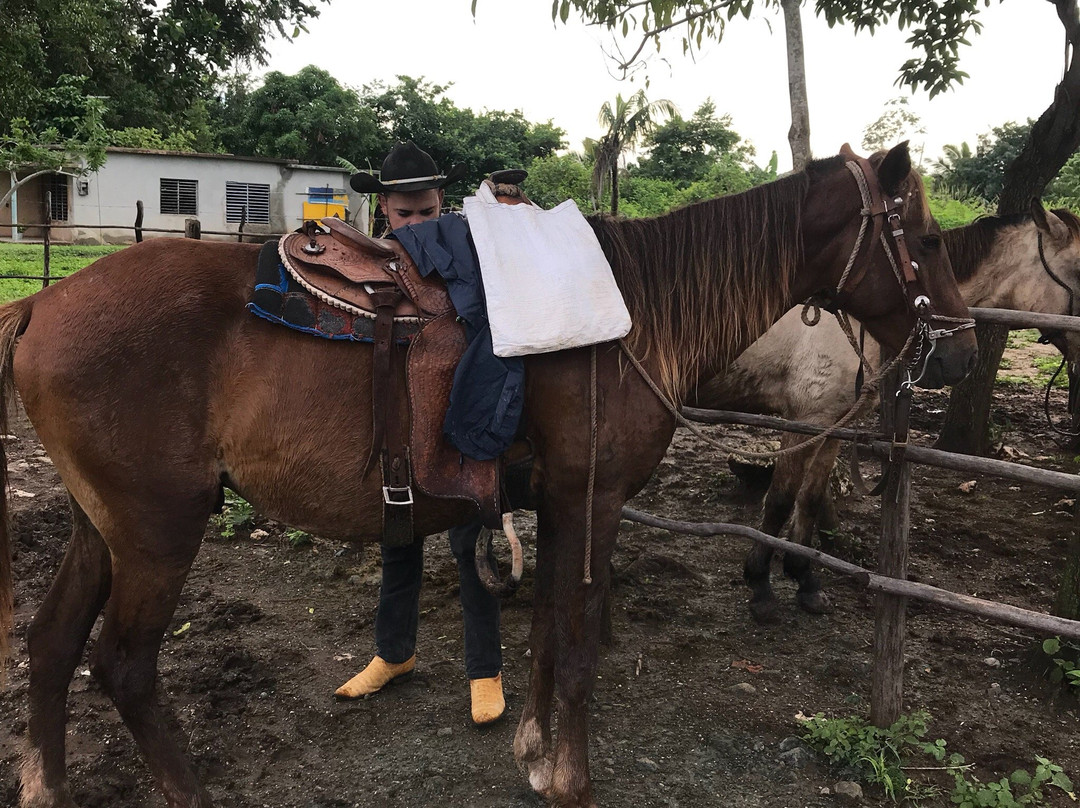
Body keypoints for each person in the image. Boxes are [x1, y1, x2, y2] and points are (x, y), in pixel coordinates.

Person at [334, 142, 505, 726]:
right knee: (397, 536)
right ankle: (394, 653)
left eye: (426, 213)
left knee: (469, 536)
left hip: (457, 430)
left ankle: (485, 670)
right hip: (396, 433)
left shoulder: (471, 258)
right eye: (403, 215)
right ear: (383, 210)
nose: (414, 225)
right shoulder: (358, 269)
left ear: (443, 206)